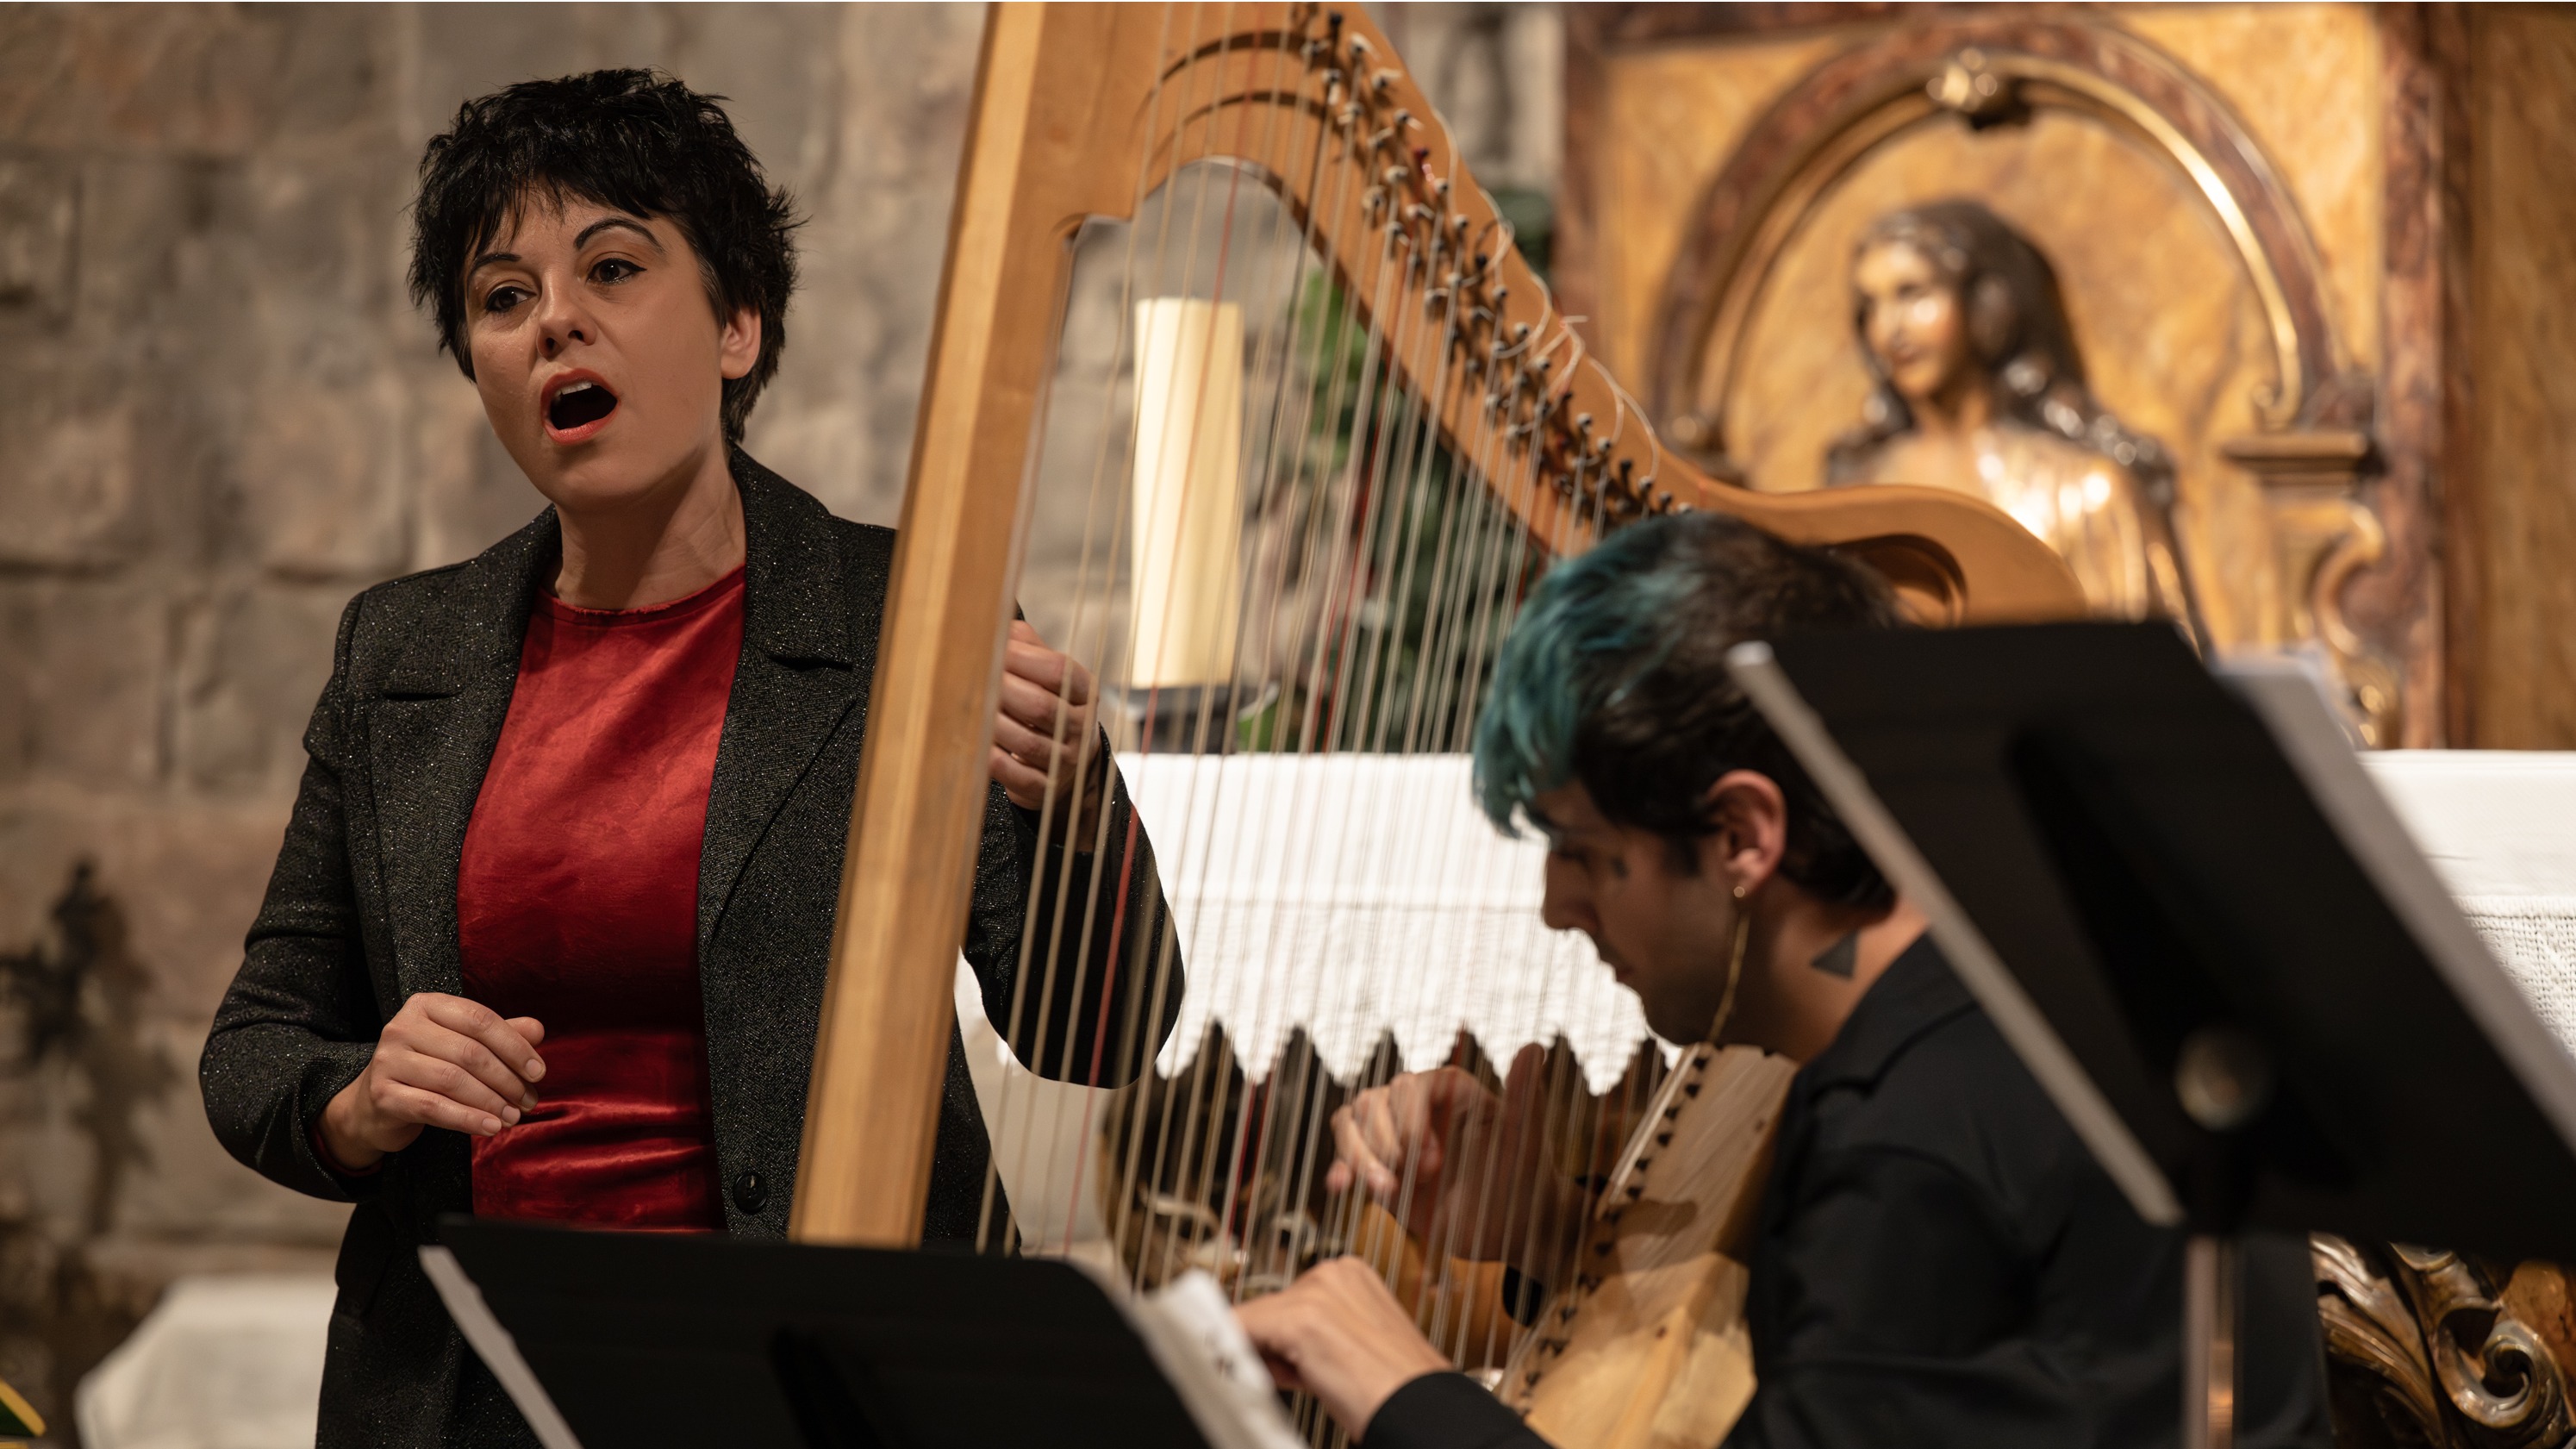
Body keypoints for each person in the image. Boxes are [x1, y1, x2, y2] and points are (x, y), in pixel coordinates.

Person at [198, 71, 1176, 1448]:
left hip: (825, 1384)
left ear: (737, 325)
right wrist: (359, 1100)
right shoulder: (398, 652)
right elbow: (254, 1047)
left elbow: (1102, 1035)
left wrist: (1076, 801)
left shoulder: (910, 621)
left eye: (612, 267)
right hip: (470, 1390)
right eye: (501, 297)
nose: (556, 324)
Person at [1235, 513, 2328, 1449]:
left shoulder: (1901, 1143)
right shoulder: (2011, 1002)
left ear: (1745, 834)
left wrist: (1399, 1388)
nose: (1555, 908)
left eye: (1582, 851)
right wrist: (1546, 1231)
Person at [1825, 199, 2200, 635]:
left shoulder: (2085, 494)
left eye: (1914, 293)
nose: (1890, 329)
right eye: (1871, 305)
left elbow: (2158, 681)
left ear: (1986, 304)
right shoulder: (1858, 491)